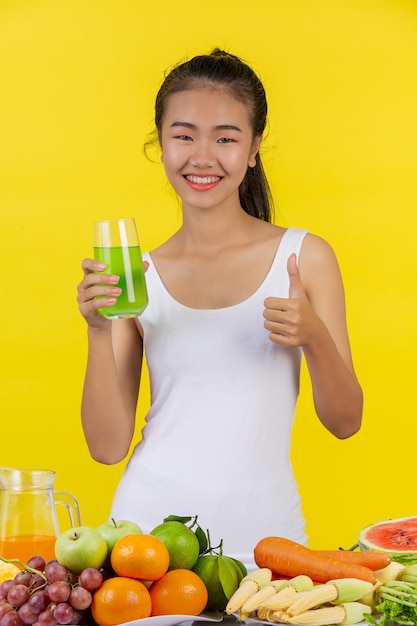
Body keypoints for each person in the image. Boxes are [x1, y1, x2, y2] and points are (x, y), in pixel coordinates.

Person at [77, 49, 363, 571]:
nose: (202, 156)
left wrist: (315, 338)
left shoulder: (304, 257)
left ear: (253, 149)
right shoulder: (136, 273)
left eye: (226, 138)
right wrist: (99, 330)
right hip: (147, 546)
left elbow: (346, 422)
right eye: (183, 135)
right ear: (160, 145)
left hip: (268, 545)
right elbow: (107, 446)